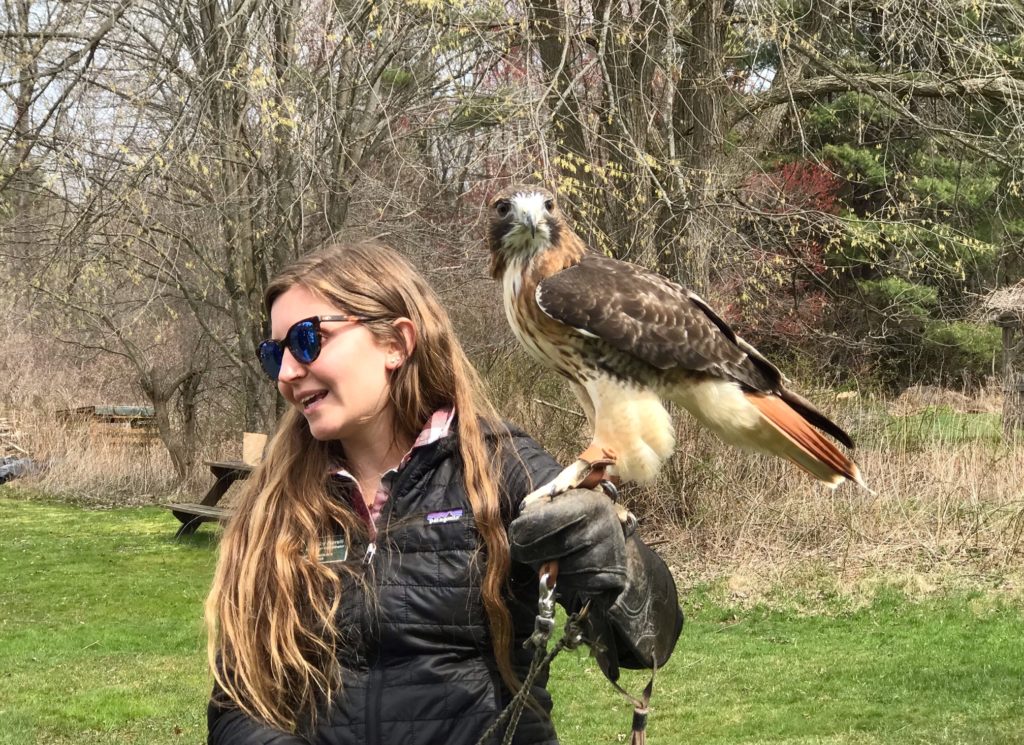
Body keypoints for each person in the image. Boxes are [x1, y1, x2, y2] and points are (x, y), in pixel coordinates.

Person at [205, 241, 683, 745]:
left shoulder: (501, 465)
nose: (285, 373)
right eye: (273, 352)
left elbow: (648, 642)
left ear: (396, 342)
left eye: (307, 340)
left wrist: (616, 559)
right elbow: (237, 696)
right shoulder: (276, 501)